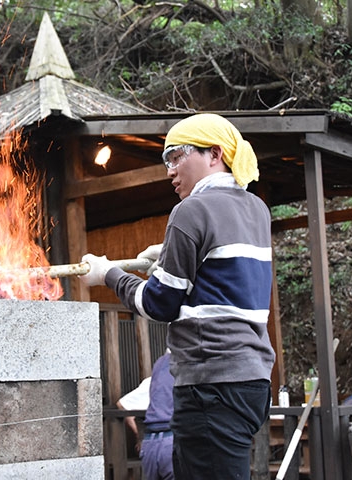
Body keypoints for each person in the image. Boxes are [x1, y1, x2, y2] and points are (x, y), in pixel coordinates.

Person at [80, 113, 275, 480]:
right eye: (166, 159)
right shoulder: (256, 209)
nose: (169, 169)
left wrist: (108, 274)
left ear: (215, 154)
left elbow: (159, 304)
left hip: (209, 383)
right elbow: (218, 282)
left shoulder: (191, 210)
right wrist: (166, 258)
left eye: (177, 156)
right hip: (251, 380)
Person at [117, 351, 175, 480]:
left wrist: (141, 436)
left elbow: (123, 404)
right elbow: (122, 404)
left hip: (151, 442)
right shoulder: (184, 365)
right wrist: (138, 435)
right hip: (171, 440)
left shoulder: (159, 368)